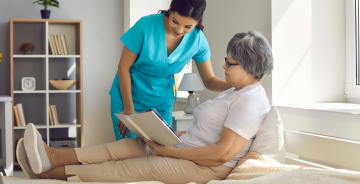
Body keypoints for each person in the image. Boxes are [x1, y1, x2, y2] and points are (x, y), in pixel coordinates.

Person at [18, 30, 274, 183]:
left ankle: (48, 175)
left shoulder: (251, 100)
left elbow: (221, 154)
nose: (224, 67)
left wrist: (170, 152)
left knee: (125, 168)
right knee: (125, 146)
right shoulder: (235, 92)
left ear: (250, 66)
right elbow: (207, 133)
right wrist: (166, 136)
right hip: (185, 148)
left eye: (229, 63)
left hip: (204, 166)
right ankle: (51, 157)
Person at [110, 0, 232, 141]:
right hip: (127, 98)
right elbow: (123, 67)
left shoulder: (198, 40)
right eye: (175, 21)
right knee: (128, 152)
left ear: (197, 22)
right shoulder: (145, 26)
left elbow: (209, 80)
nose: (179, 30)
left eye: (188, 27)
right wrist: (128, 109)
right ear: (170, 9)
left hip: (161, 102)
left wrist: (236, 87)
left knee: (161, 153)